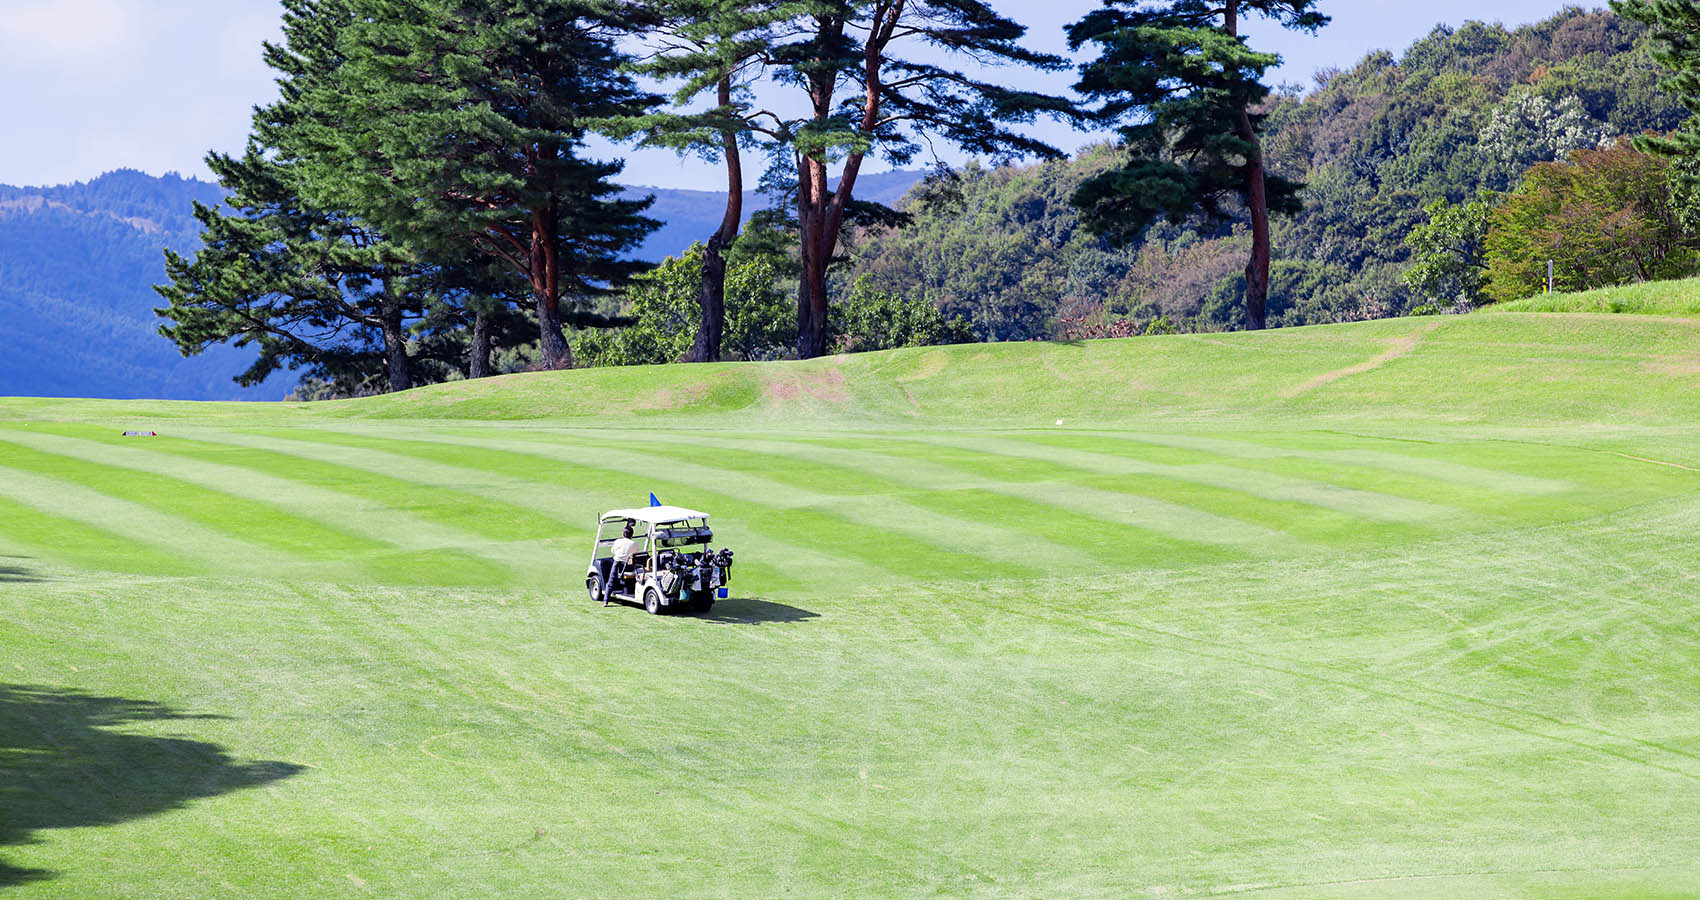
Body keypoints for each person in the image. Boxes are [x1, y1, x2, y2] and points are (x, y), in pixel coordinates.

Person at [604, 521, 639, 605]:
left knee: (611, 581)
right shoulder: (635, 544)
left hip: (618, 564)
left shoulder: (618, 541)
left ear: (623, 534)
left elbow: (613, 551)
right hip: (629, 566)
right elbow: (636, 553)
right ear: (632, 535)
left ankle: (605, 601)